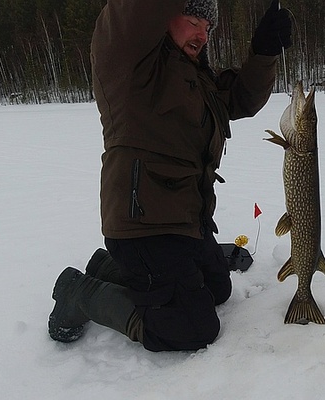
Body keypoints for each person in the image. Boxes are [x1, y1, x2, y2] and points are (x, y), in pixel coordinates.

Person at [48, 0, 292, 352]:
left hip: (185, 221)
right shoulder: (128, 59)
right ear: (163, 17)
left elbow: (240, 97)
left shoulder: (194, 76)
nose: (202, 34)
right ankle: (80, 293)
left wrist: (264, 52)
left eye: (208, 28)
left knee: (217, 289)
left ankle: (109, 268)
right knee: (193, 325)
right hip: (143, 226)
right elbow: (136, 10)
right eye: (193, 20)